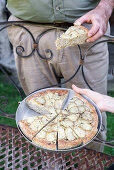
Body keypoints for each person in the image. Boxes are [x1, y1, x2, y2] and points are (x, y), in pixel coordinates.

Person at [6, 0, 114, 152]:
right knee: (39, 120)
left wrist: (105, 7)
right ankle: (51, 165)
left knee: (91, 116)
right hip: (28, 29)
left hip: (87, 31)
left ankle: (89, 163)